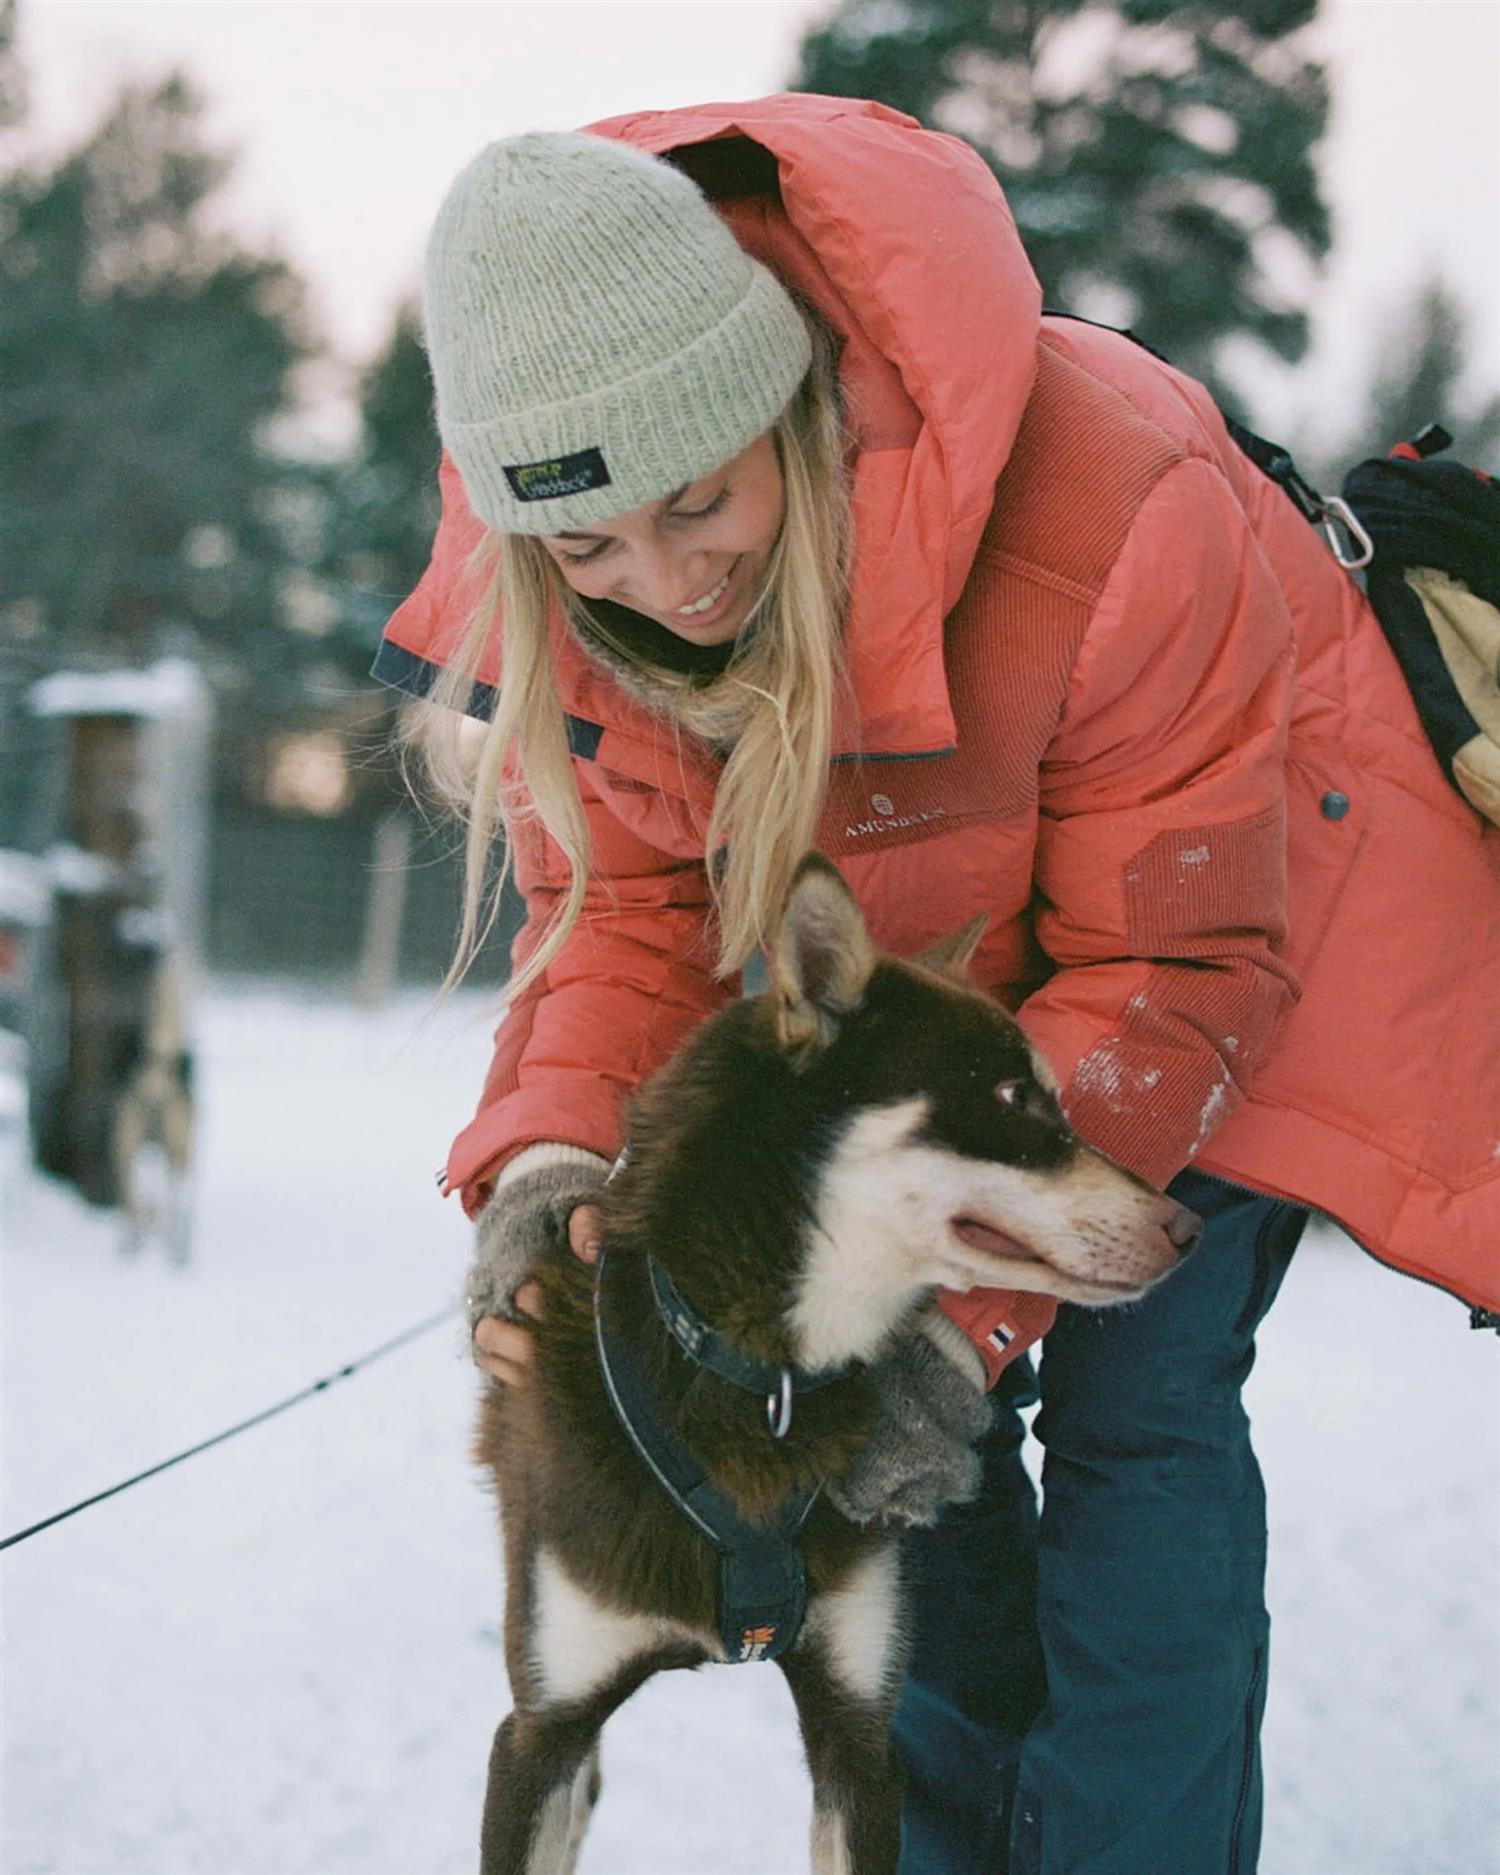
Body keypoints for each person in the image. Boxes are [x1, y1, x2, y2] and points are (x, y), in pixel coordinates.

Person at [375, 96, 1500, 1875]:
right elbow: (633, 916)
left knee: (1144, 1404)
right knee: (902, 1456)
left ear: (786, 402)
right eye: (587, 553)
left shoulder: (1107, 498)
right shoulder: (583, 621)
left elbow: (1172, 955)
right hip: (959, 983)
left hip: (1252, 935)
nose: (661, 590)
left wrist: (941, 1320)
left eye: (699, 505)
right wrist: (552, 1159)